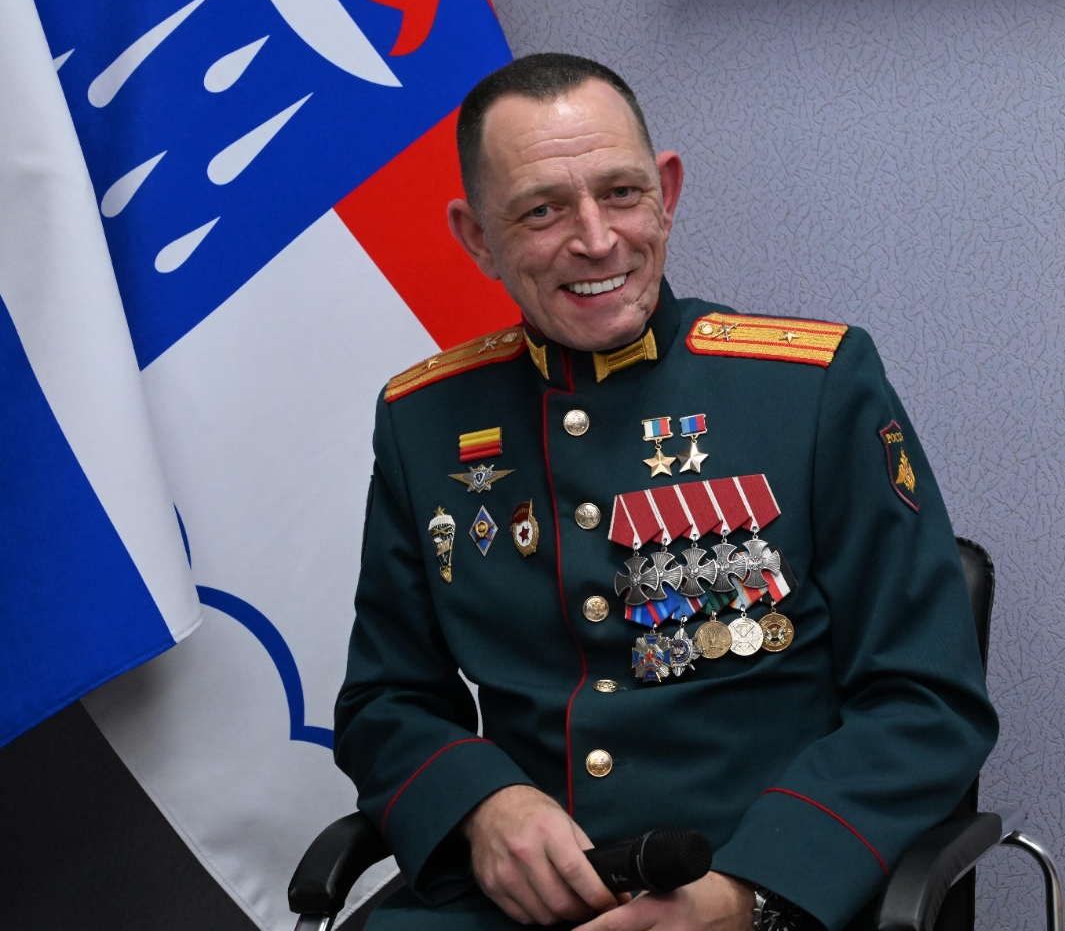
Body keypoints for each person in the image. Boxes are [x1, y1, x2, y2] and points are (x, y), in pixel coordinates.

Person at [334, 54, 997, 931]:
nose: (596, 240)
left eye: (621, 193)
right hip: (515, 909)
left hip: (762, 897)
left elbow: (927, 702)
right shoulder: (423, 422)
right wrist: (481, 803)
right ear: (477, 237)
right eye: (542, 210)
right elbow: (386, 700)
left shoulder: (812, 390)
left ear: (668, 193)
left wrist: (750, 894)